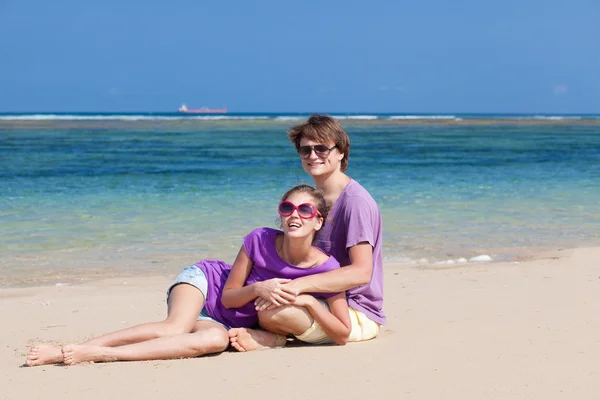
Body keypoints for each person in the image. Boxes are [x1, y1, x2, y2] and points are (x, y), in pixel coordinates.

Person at [25, 184, 351, 366]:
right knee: (175, 327)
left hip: (227, 322)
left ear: (318, 221)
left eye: (305, 210)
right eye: (287, 208)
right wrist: (261, 288)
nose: (295, 215)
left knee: (213, 341)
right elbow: (228, 296)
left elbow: (341, 333)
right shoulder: (259, 239)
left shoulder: (327, 268)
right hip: (205, 283)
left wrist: (308, 300)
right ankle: (78, 349)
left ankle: (102, 355)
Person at [228, 114, 385, 351]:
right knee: (264, 300)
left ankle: (274, 339)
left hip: (355, 311)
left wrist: (299, 285)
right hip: (323, 298)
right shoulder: (316, 198)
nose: (313, 156)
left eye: (322, 149)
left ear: (341, 152)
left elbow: (362, 273)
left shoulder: (355, 202)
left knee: (273, 312)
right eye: (306, 150)